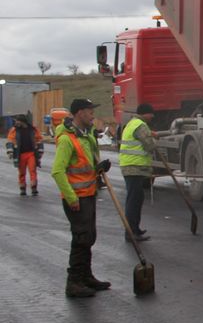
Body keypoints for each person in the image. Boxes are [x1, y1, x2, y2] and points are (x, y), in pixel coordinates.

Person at [50, 98, 111, 298]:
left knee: (89, 236)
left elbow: (86, 165)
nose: (93, 115)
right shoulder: (68, 140)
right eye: (89, 111)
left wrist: (98, 169)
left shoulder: (87, 137)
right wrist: (71, 197)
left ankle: (86, 276)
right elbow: (58, 171)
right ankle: (74, 282)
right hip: (77, 198)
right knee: (81, 238)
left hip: (89, 194)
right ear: (79, 113)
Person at [118, 103, 158, 242]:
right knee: (133, 201)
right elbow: (149, 145)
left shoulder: (132, 123)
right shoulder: (140, 125)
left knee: (137, 198)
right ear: (144, 114)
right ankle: (130, 232)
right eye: (151, 114)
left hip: (131, 166)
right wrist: (154, 139)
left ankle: (135, 228)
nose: (152, 116)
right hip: (133, 167)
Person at [6, 113, 43, 196]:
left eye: (17, 121)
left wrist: (40, 152)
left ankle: (34, 188)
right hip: (21, 155)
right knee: (22, 172)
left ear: (22, 121)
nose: (16, 123)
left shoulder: (33, 129)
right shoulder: (14, 130)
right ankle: (23, 189)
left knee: (32, 170)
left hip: (31, 154)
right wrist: (10, 152)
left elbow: (39, 139)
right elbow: (10, 140)